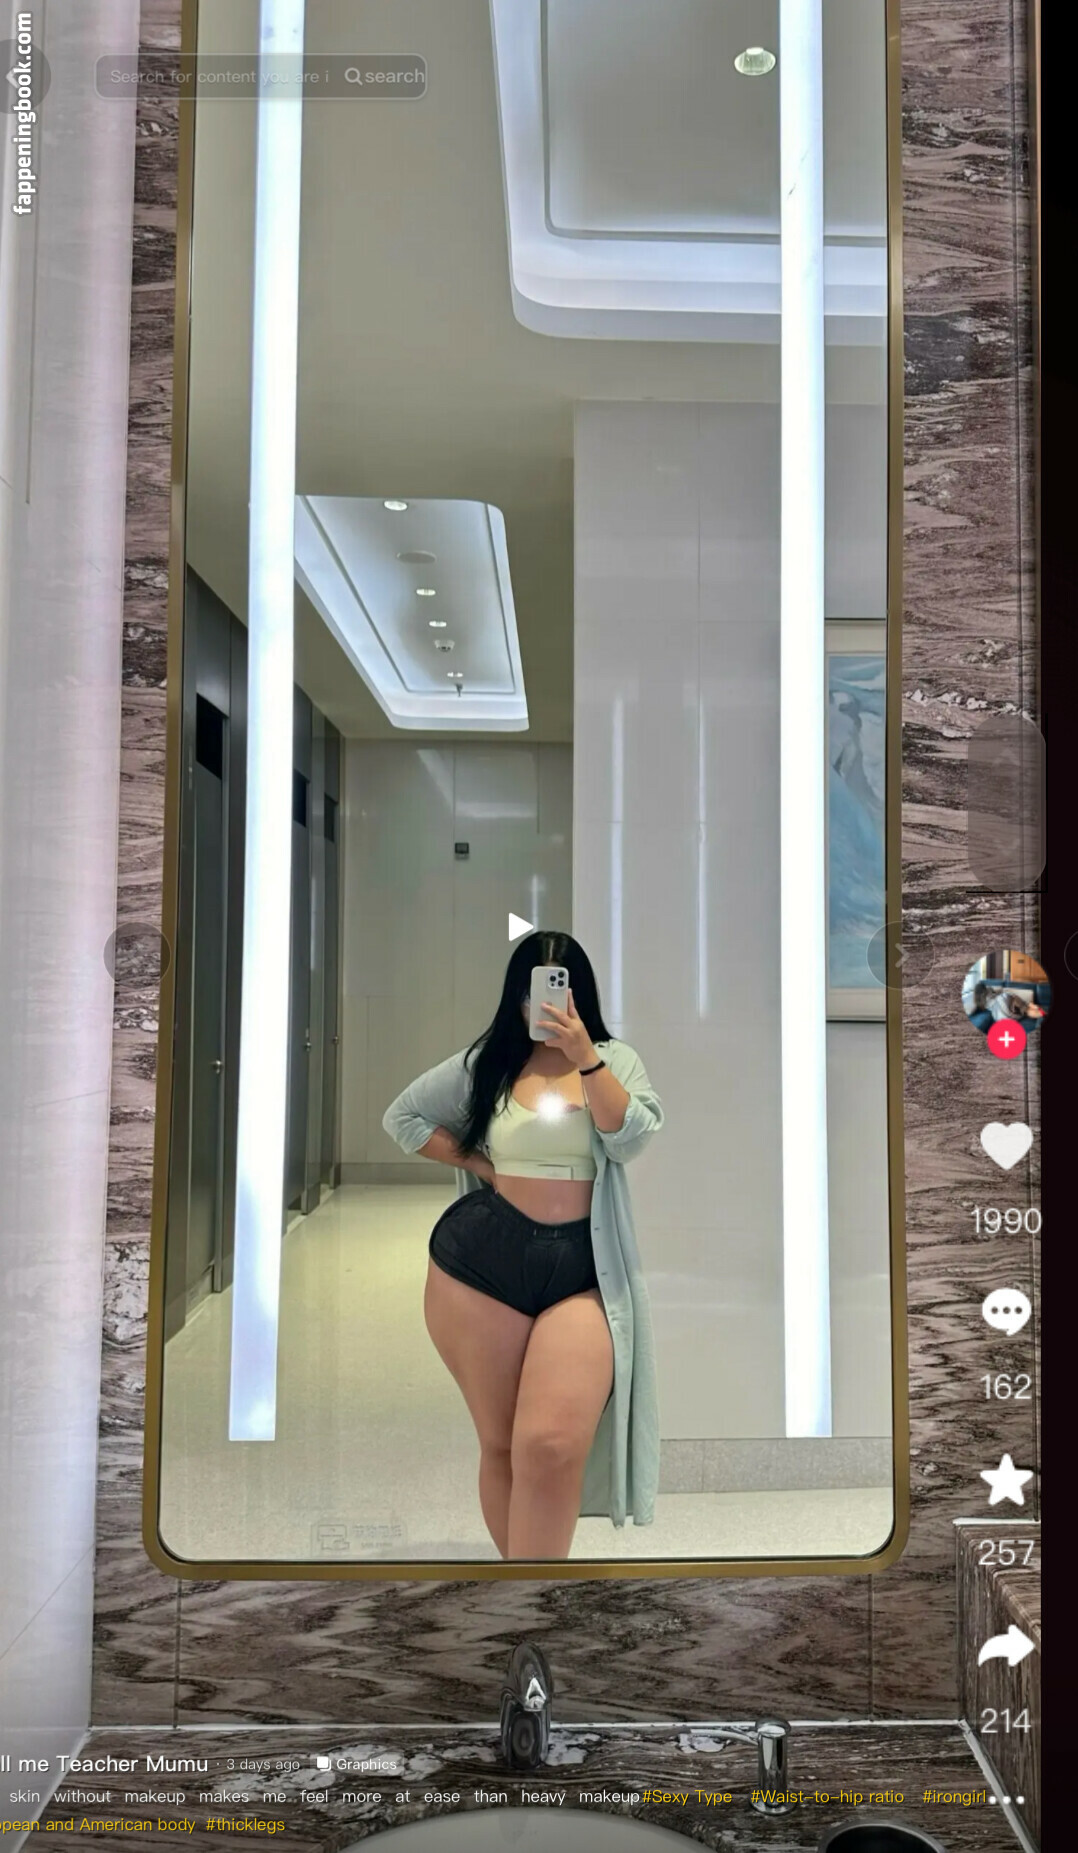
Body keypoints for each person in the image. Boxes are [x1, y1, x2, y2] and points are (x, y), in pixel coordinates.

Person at [382, 931, 662, 1561]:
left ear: (581, 996)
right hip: (482, 1262)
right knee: (503, 1443)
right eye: (534, 991)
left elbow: (630, 1137)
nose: (546, 1005)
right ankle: (526, 1592)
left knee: (552, 1446)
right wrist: (482, 1165)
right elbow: (403, 1118)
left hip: (584, 1268)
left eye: (561, 989)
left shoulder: (614, 1060)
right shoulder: (489, 1063)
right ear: (517, 997)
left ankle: (537, 1592)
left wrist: (586, 1058)